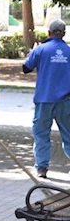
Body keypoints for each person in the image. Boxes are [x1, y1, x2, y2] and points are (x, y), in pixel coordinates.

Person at [22, 20, 70, 179]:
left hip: (44, 99)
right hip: (66, 101)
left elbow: (25, 68)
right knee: (68, 134)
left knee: (41, 133)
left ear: (49, 32)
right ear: (63, 33)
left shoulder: (41, 49)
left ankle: (42, 168)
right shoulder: (69, 51)